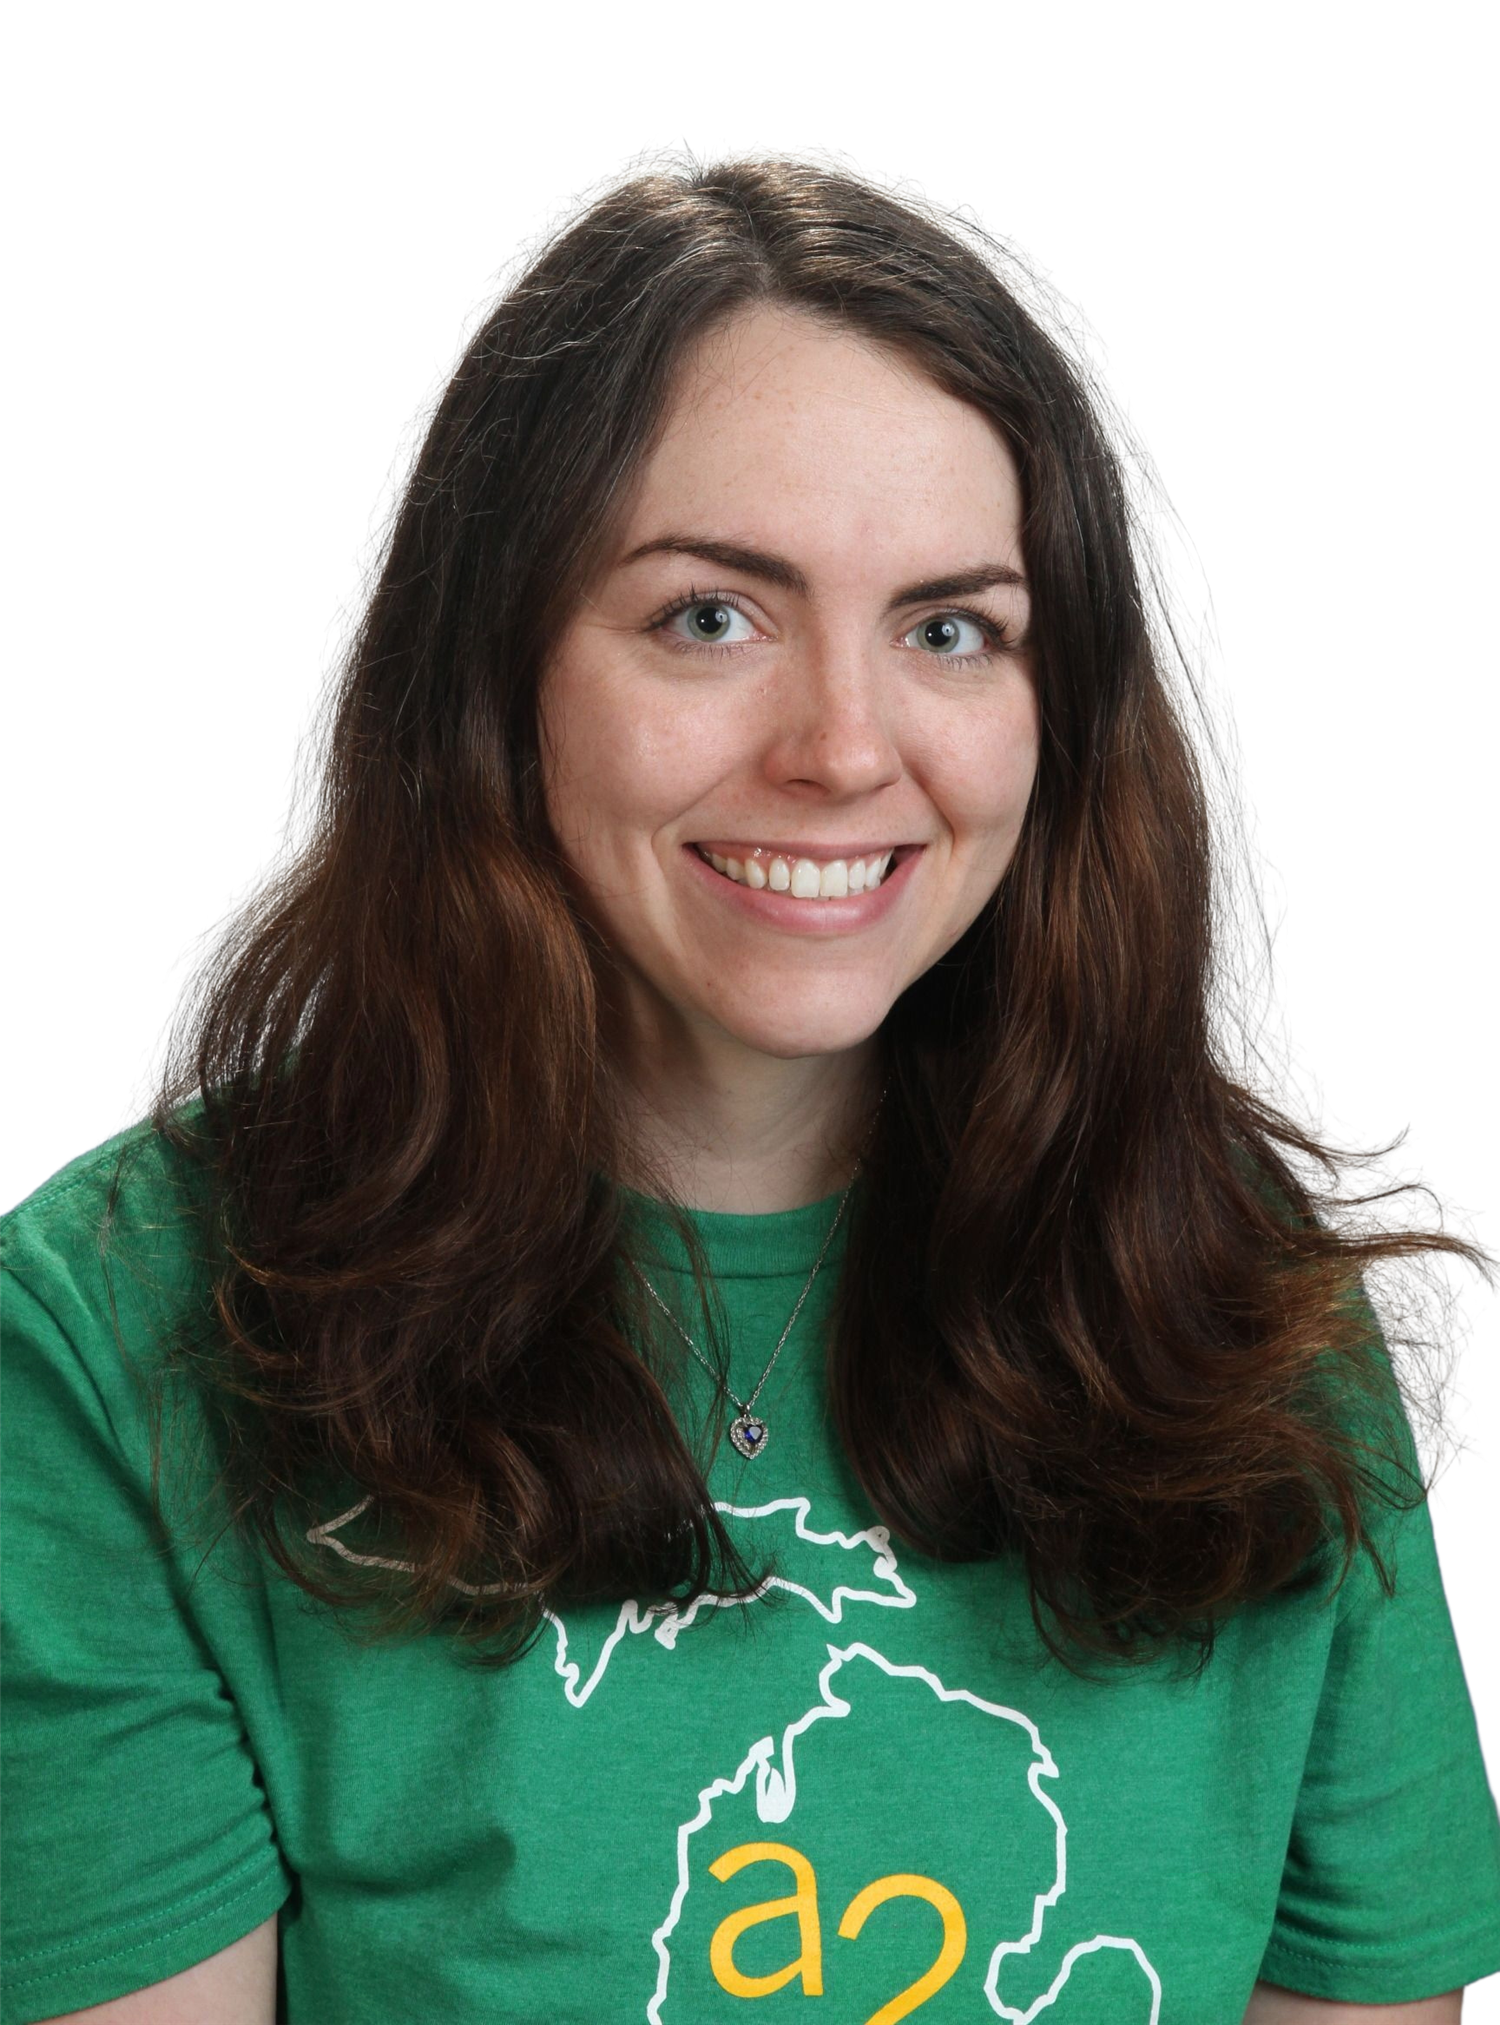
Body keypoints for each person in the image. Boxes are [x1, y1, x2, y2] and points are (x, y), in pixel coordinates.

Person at [2, 146, 1495, 2023]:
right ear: (496, 671)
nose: (844, 749)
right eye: (712, 614)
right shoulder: (122, 1329)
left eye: (951, 629)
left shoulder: (1256, 1315)